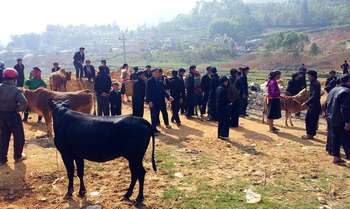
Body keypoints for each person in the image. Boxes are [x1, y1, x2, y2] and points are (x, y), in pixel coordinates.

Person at [0, 68, 27, 165]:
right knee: (19, 136)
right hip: (13, 116)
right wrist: (18, 109)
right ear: (15, 79)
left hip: (1, 116)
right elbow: (24, 102)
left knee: (3, 136)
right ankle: (18, 156)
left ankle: (2, 159)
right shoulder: (16, 90)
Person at [326, 74, 350, 165]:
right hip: (342, 120)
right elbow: (345, 108)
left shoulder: (333, 89)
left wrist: (327, 115)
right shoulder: (347, 92)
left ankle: (336, 158)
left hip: (332, 118)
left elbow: (328, 103)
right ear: (348, 81)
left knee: (335, 138)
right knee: (346, 139)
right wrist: (347, 121)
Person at [146, 68, 173, 134]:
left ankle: (156, 128)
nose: (158, 73)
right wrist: (149, 101)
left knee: (159, 114)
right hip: (153, 101)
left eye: (158, 72)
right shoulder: (149, 81)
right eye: (156, 72)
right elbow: (147, 92)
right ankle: (153, 130)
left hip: (160, 100)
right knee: (154, 115)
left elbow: (162, 90)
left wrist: (168, 96)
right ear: (153, 73)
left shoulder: (160, 80)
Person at [301, 70, 321, 139]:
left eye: (308, 75)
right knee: (308, 119)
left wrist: (306, 103)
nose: (307, 77)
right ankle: (310, 134)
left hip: (314, 105)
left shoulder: (316, 84)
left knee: (311, 120)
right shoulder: (313, 83)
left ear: (312, 76)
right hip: (312, 105)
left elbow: (314, 96)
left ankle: (310, 134)